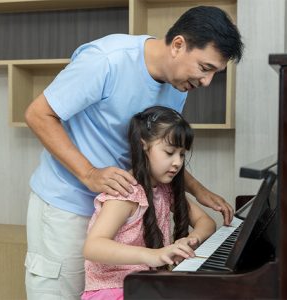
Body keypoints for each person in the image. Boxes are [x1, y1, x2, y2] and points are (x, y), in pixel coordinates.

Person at [24, 5, 243, 300]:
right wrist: (89, 174)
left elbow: (158, 148)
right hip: (69, 205)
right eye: (205, 68)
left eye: (215, 73)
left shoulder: (179, 86)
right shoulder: (106, 60)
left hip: (122, 211)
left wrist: (197, 190)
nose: (206, 82)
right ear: (178, 45)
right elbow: (39, 114)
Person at [81, 106, 216, 300]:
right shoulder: (126, 193)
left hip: (145, 286)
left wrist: (191, 239)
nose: (177, 162)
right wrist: (153, 255)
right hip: (113, 289)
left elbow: (206, 222)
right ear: (144, 145)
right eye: (169, 152)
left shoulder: (164, 188)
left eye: (182, 154)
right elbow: (93, 247)